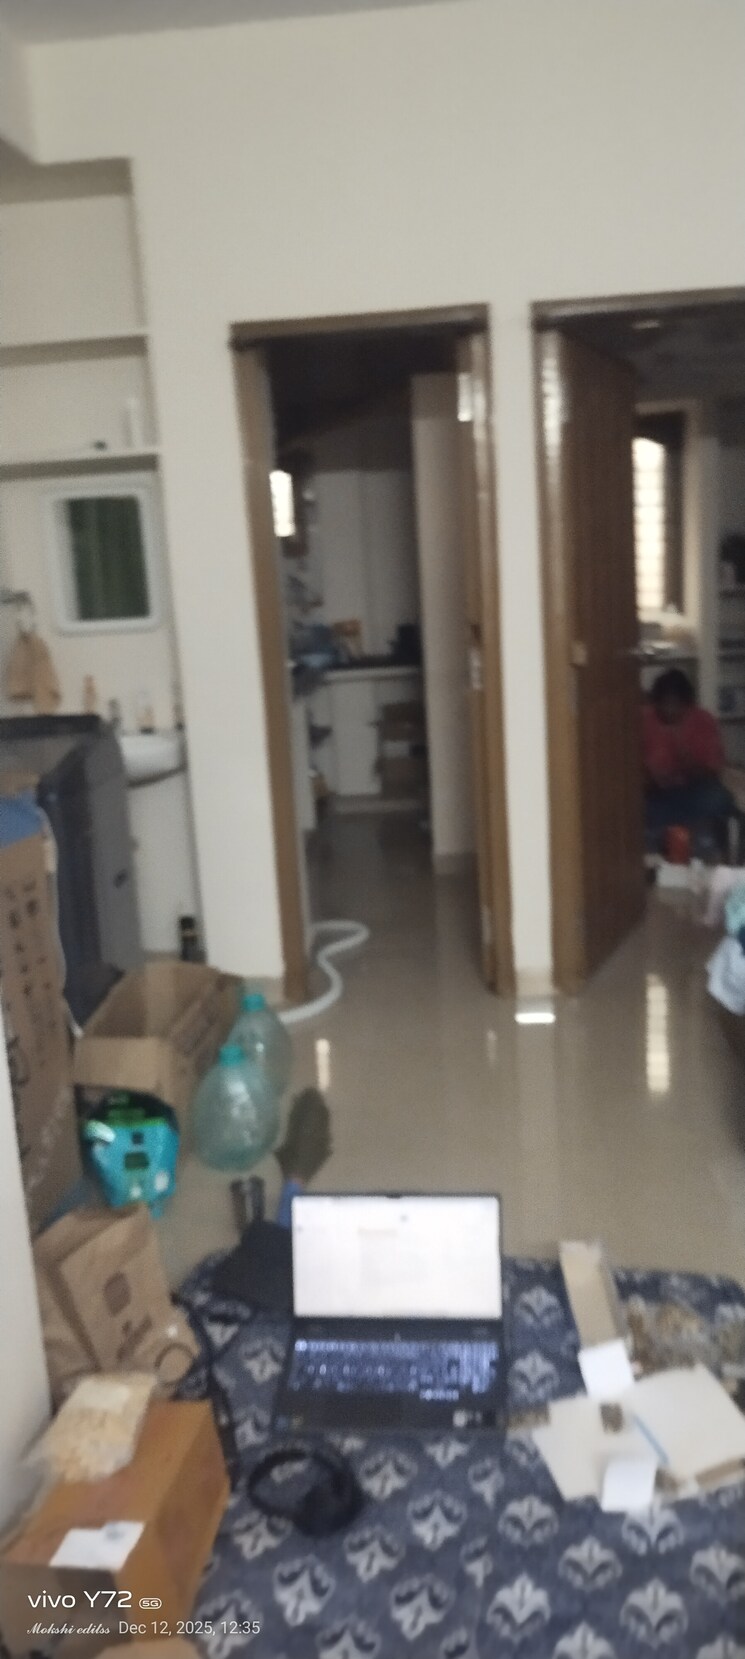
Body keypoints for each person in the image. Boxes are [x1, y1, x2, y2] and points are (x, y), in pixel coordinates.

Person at [643, 668, 735, 847]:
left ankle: (673, 829)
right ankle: (671, 830)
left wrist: (685, 758)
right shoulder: (644, 719)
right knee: (636, 807)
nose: (669, 710)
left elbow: (712, 773)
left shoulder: (703, 720)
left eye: (675, 704)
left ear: (687, 704)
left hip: (694, 793)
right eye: (663, 704)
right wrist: (651, 777)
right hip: (657, 796)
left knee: (719, 799)